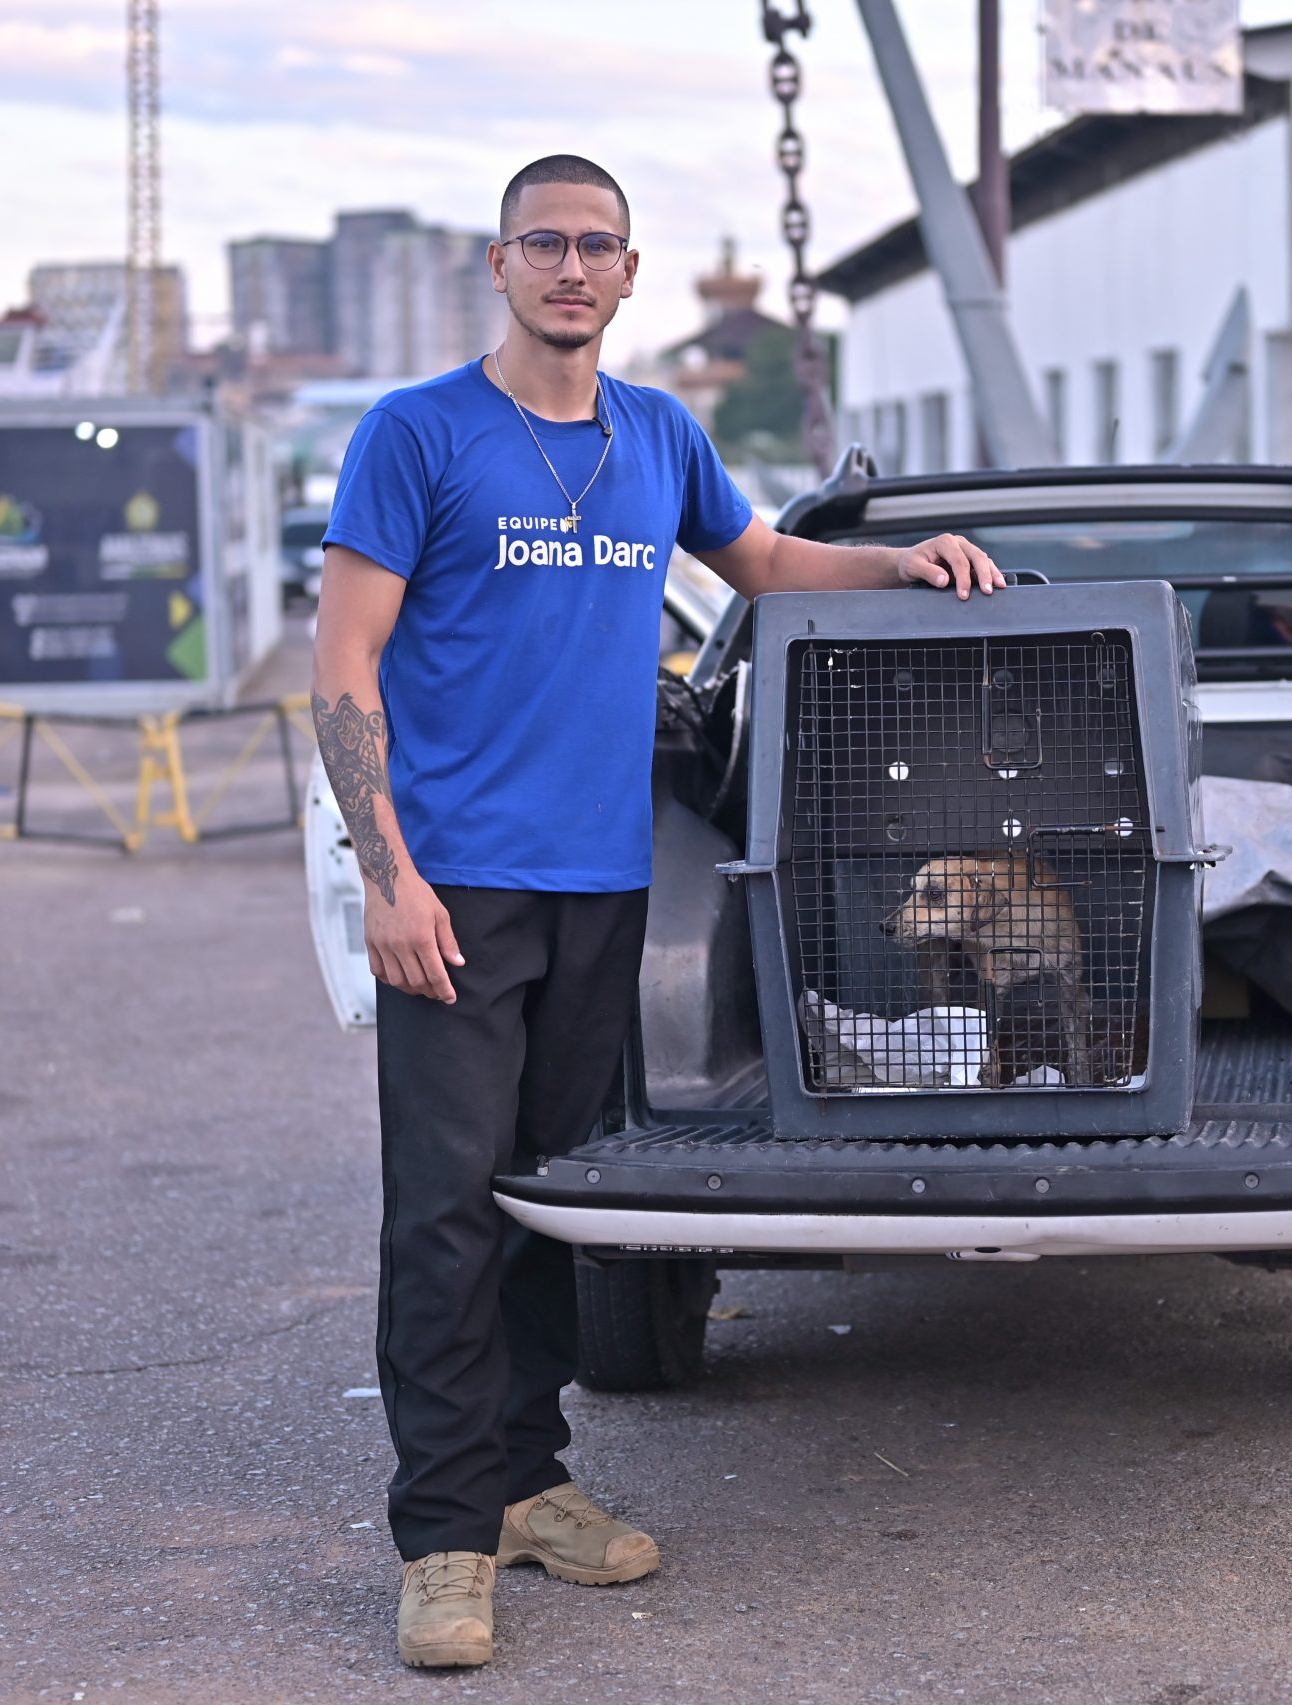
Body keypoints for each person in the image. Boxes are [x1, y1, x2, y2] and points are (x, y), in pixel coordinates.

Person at [308, 154, 1007, 1672]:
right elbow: (344, 660)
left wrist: (900, 564)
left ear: (630, 272)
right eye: (544, 243)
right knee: (443, 1211)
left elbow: (760, 562)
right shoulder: (416, 433)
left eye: (598, 246)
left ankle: (525, 1479)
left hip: (604, 884)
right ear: (499, 264)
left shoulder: (659, 435)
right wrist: (387, 875)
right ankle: (442, 1535)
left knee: (550, 1197)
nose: (571, 268)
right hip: (458, 887)